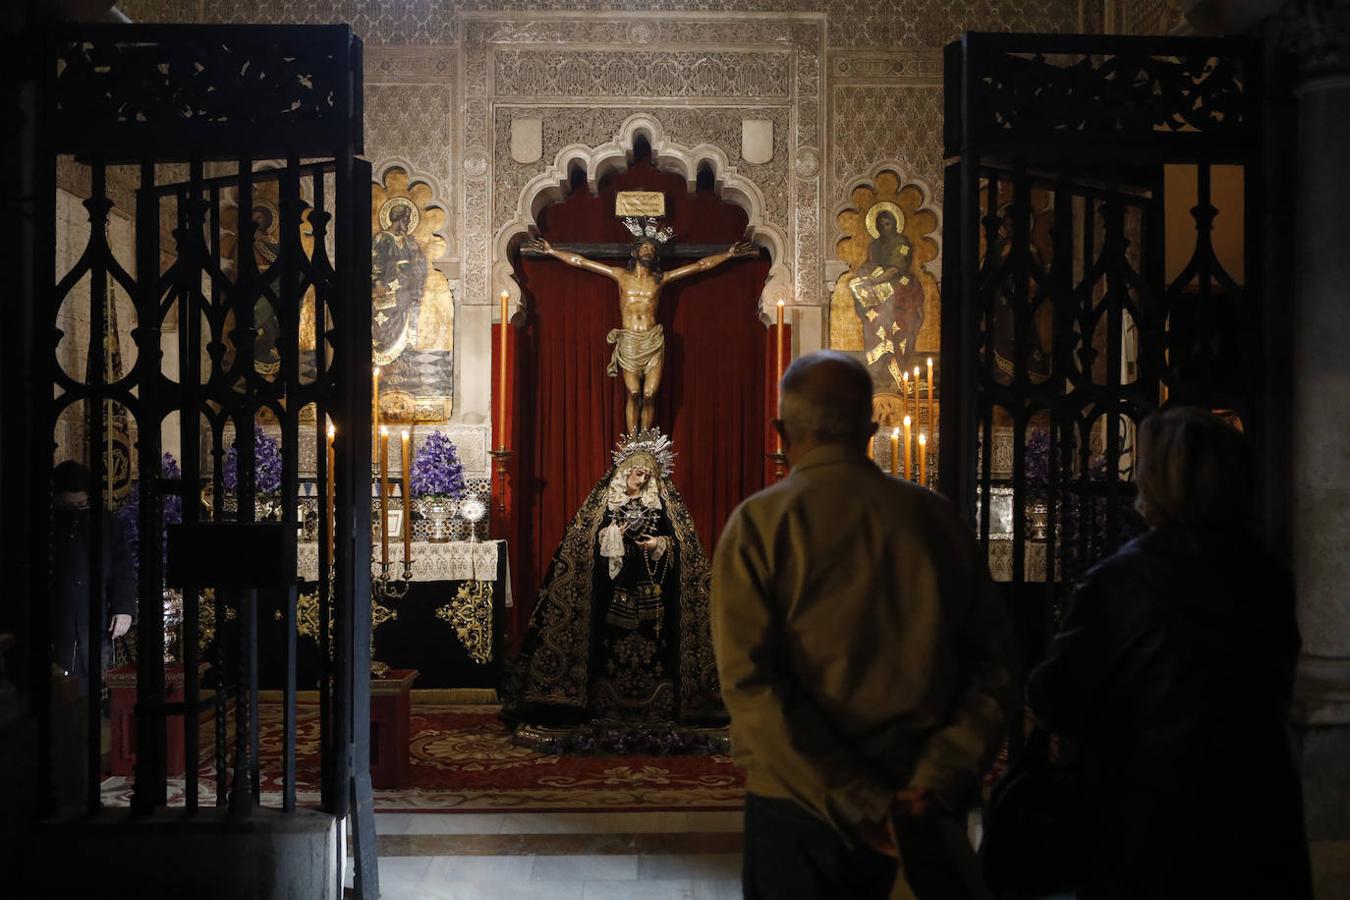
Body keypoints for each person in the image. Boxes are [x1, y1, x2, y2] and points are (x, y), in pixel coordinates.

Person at [711, 350, 1020, 900]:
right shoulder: (938, 520)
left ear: (781, 431)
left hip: (799, 809)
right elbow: (996, 670)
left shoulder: (758, 527)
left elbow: (751, 689)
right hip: (921, 807)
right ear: (871, 429)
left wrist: (859, 800)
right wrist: (935, 782)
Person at [1023, 407, 1312, 899]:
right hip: (1256, 810)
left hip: (1149, 816)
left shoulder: (1120, 582)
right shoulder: (1266, 572)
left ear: (1160, 483)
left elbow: (1056, 698)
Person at [501, 428, 726, 748]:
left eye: (648, 474)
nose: (643, 479)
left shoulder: (664, 507)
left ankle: (666, 704)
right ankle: (592, 701)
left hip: (653, 593)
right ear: (624, 473)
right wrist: (612, 536)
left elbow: (683, 547)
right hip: (611, 591)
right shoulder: (603, 506)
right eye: (637, 473)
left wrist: (658, 543)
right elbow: (582, 547)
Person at [524, 230, 755, 432]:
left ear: (655, 256)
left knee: (649, 394)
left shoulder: (660, 279)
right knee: (634, 392)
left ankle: (645, 440)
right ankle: (632, 442)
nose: (648, 251)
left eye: (652, 249)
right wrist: (552, 251)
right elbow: (581, 262)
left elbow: (699, 266)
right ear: (635, 252)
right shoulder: (620, 276)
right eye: (644, 247)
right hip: (630, 341)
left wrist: (729, 254)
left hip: (653, 339)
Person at [51, 460, 135, 690]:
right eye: (69, 505)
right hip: (55, 624)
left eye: (81, 503)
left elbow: (122, 569)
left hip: (92, 622)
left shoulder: (105, 523)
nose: (76, 509)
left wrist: (123, 608)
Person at [851, 207, 926, 388]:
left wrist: (874, 280)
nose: (884, 228)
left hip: (902, 289)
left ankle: (898, 367)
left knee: (899, 325)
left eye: (887, 224)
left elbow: (895, 268)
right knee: (874, 320)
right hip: (878, 289)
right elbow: (869, 265)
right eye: (880, 225)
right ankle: (878, 364)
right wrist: (863, 274)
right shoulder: (874, 245)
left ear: (894, 225)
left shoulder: (902, 243)